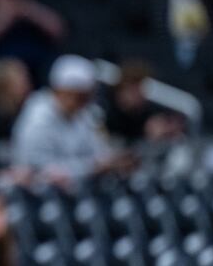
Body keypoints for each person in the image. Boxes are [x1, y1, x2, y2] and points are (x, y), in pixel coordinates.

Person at [11, 55, 135, 189]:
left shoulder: (86, 114)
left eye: (86, 97)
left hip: (80, 190)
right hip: (37, 192)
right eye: (79, 97)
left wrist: (113, 161)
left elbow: (100, 153)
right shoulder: (37, 117)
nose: (83, 103)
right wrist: (92, 167)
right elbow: (40, 171)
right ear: (60, 91)